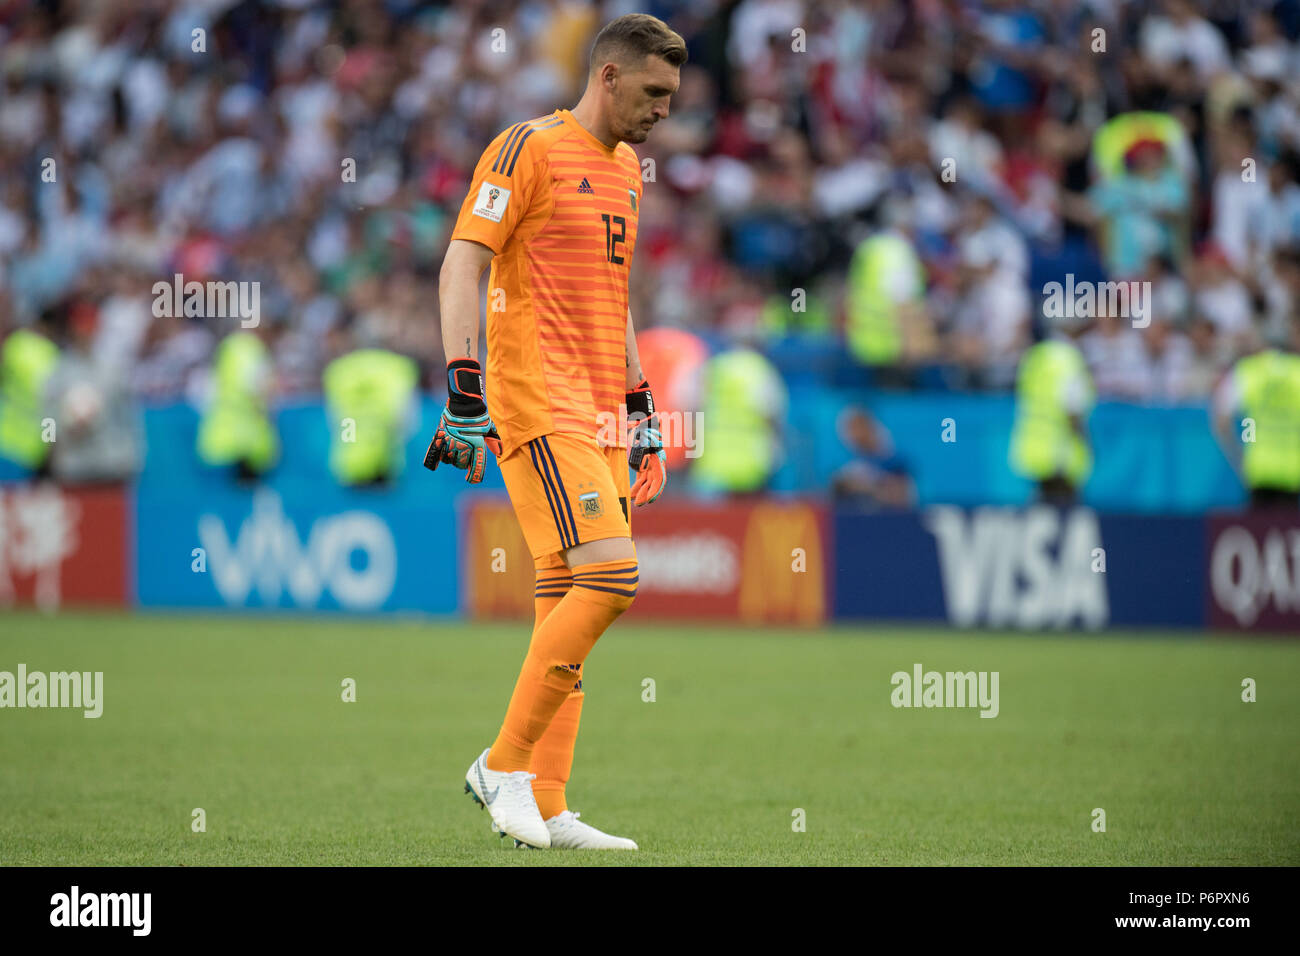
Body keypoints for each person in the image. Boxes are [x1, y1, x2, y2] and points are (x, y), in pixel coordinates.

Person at [424, 14, 685, 851]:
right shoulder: (526, 148)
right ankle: (501, 765)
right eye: (653, 93)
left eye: (672, 98)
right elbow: (463, 260)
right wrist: (464, 387)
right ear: (607, 76)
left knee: (561, 599)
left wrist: (641, 410)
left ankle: (548, 797)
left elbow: (617, 299)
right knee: (611, 579)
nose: (664, 111)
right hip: (538, 406)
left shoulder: (629, 173)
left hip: (603, 412)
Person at [1212, 316, 1300, 509]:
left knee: (1260, 531)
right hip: (1294, 469)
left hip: (1258, 467)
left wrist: (1240, 452)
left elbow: (1222, 421)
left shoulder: (1247, 371)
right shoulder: (1297, 371)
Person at [1009, 314, 1095, 505]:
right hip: (1060, 452)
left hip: (1034, 447)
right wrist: (1086, 443)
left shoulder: (1036, 355)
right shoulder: (1070, 359)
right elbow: (1073, 410)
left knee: (1043, 509)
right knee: (1065, 514)